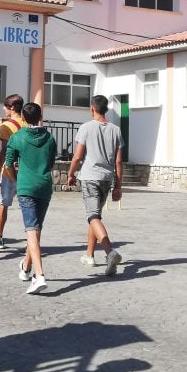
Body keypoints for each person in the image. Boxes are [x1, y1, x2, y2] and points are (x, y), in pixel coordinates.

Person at [66, 95, 125, 276]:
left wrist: (70, 174)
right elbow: (119, 162)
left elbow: (77, 156)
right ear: (106, 109)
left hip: (90, 176)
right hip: (107, 178)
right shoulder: (116, 130)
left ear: (92, 108)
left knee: (92, 216)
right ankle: (89, 255)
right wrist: (118, 186)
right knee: (96, 216)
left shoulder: (86, 127)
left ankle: (110, 252)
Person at [4, 102, 57, 294]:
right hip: (44, 186)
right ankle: (26, 268)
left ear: (23, 119)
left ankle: (39, 274)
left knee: (31, 229)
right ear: (40, 116)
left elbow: (8, 164)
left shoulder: (17, 137)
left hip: (26, 186)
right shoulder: (50, 138)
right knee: (36, 228)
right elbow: (51, 163)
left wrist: (16, 181)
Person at [0, 94, 25, 250]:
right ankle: (32, 236)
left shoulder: (5, 126)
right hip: (26, 170)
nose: (3, 109)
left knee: (3, 203)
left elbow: (3, 152)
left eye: (5, 106)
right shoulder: (28, 123)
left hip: (9, 171)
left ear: (11, 108)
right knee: (26, 205)